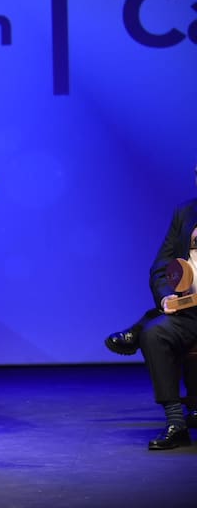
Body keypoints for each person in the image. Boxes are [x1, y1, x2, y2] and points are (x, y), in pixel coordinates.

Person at [104, 165, 197, 448]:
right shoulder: (186, 212)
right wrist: (166, 296)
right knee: (155, 333)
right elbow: (161, 265)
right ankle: (175, 423)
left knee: (150, 324)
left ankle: (135, 330)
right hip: (189, 310)